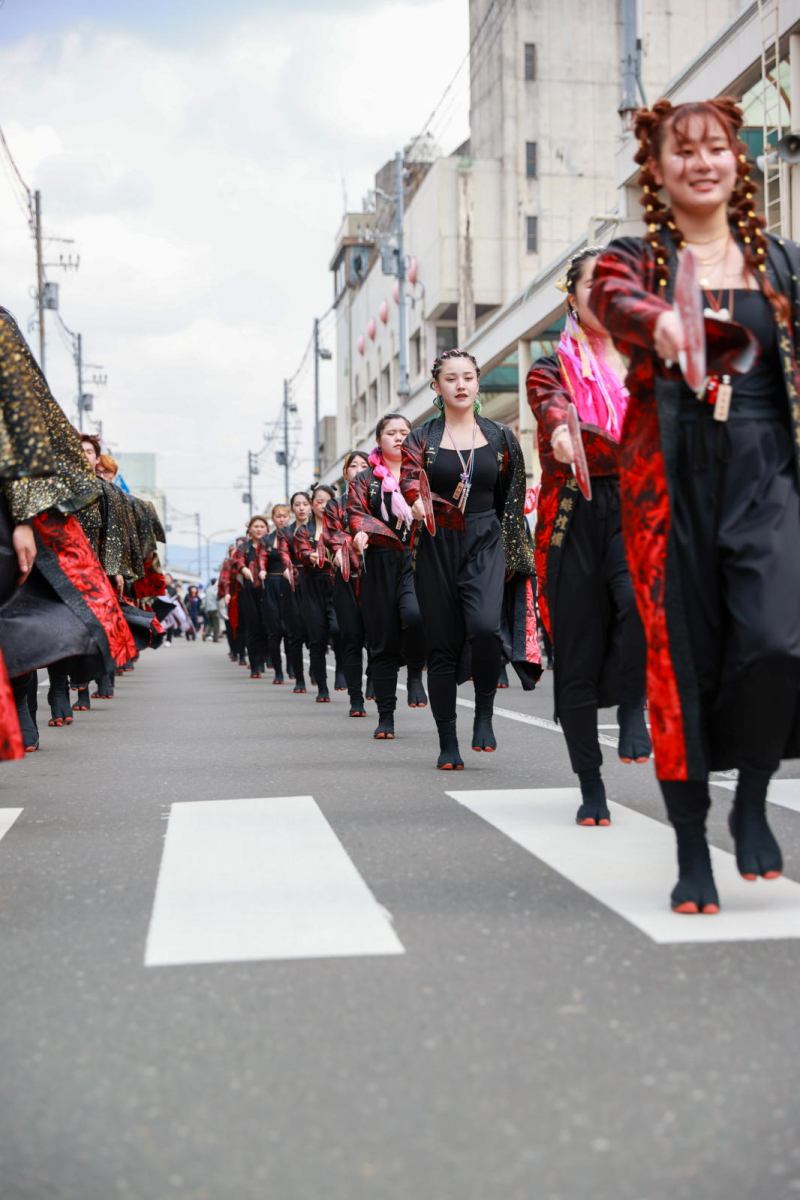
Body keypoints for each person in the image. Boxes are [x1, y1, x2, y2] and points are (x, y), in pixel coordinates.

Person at [590, 97, 800, 914]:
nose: (704, 161)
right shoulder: (637, 257)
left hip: (767, 477)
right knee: (680, 662)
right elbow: (612, 300)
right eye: (686, 151)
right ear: (659, 168)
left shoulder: (777, 262)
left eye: (718, 148)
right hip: (670, 488)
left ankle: (751, 794)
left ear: (738, 161)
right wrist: (661, 325)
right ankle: (691, 845)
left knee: (777, 642)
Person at [527, 248, 651, 826]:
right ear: (572, 297)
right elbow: (551, 407)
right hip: (576, 514)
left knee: (640, 608)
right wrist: (558, 433)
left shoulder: (646, 363)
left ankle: (633, 702)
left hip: (635, 511)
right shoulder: (550, 366)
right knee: (575, 656)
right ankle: (591, 785)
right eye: (592, 285)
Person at [401, 349, 540, 770]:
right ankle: (448, 741)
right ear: (436, 386)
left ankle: (484, 713)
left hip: (485, 538)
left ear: (478, 383)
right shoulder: (420, 438)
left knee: (483, 628)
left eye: (468, 377)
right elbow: (408, 477)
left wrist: (517, 551)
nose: (460, 385)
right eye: (450, 378)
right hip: (436, 542)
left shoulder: (500, 437)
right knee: (441, 647)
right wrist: (416, 502)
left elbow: (512, 499)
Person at [345, 417, 427, 739]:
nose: (398, 438)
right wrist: (361, 532)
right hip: (378, 561)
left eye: (404, 433)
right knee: (381, 643)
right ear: (379, 439)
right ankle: (386, 716)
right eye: (390, 433)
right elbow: (355, 511)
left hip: (416, 558)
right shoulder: (365, 479)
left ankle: (417, 670)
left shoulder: (421, 473)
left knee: (415, 616)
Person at [324, 451, 371, 718]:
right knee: (350, 638)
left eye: (364, 465)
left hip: (377, 578)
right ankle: (356, 698)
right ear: (346, 473)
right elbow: (332, 533)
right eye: (353, 466)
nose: (359, 469)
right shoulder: (335, 506)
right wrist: (344, 547)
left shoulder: (380, 499)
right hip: (346, 578)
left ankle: (377, 682)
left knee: (378, 639)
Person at [292, 485, 339, 702]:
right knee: (317, 640)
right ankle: (322, 687)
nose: (322, 505)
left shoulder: (341, 526)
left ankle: (341, 672)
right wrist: (309, 556)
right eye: (318, 501)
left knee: (340, 630)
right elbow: (300, 550)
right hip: (312, 585)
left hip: (337, 584)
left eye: (327, 500)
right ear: (313, 504)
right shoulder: (304, 531)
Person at [277, 492, 312, 694]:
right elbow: (283, 552)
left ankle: (316, 671)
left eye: (305, 504)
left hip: (314, 582)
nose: (301, 508)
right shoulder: (286, 532)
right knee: (294, 633)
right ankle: (299, 678)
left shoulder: (317, 528)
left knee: (316, 632)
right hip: (292, 582)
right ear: (292, 508)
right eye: (297, 504)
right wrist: (288, 568)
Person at [230, 516, 269, 677]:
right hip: (249, 591)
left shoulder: (270, 545)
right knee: (253, 628)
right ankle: (255, 664)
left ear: (267, 529)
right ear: (250, 529)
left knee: (268, 628)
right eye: (256, 526)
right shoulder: (244, 548)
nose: (259, 529)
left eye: (262, 526)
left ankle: (266, 660)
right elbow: (237, 562)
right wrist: (244, 569)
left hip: (269, 591)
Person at [262, 504, 292, 683]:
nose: (281, 519)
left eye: (284, 516)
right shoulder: (267, 539)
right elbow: (259, 559)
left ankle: (291, 666)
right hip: (271, 585)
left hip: (290, 583)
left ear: (289, 517)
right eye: (278, 516)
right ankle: (278, 671)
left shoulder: (296, 535)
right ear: (272, 518)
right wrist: (260, 571)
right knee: (274, 631)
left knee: (290, 630)